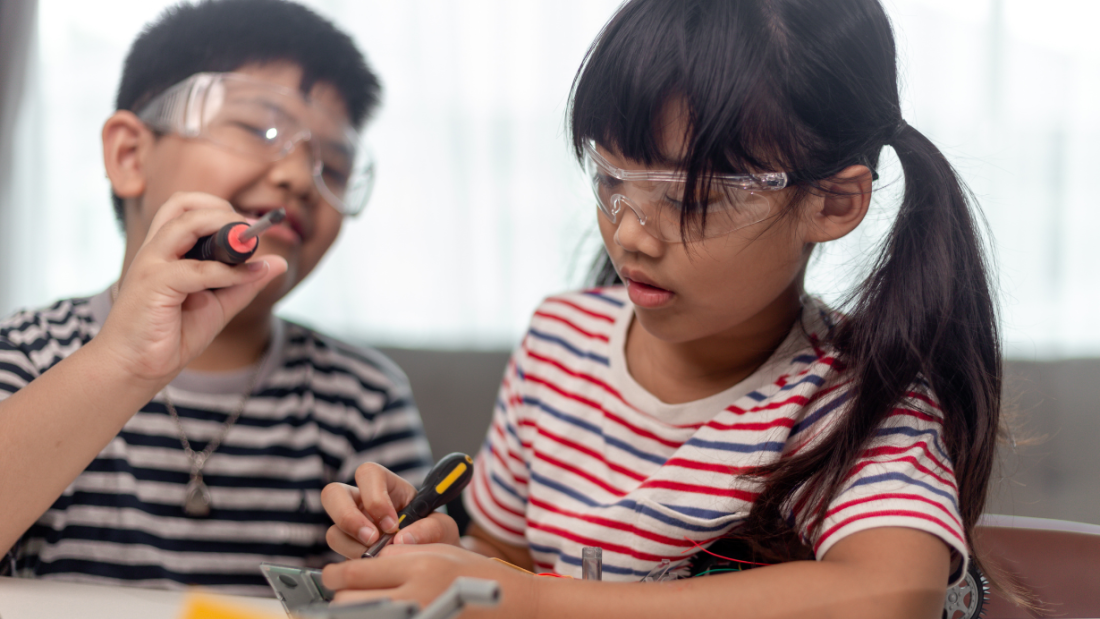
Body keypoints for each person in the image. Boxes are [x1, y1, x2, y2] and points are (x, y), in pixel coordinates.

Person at [318, 0, 1005, 616]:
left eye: (689, 199)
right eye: (613, 178)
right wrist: (445, 556)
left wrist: (531, 599)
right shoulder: (560, 344)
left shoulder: (855, 397)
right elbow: (509, 560)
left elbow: (892, 591)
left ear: (831, 203)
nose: (630, 233)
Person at [0, 0, 432, 596]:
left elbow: (413, 590)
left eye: (331, 163)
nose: (301, 178)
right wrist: (121, 365)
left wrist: (396, 545)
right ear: (130, 155)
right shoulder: (23, 356)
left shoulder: (363, 400)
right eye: (261, 130)